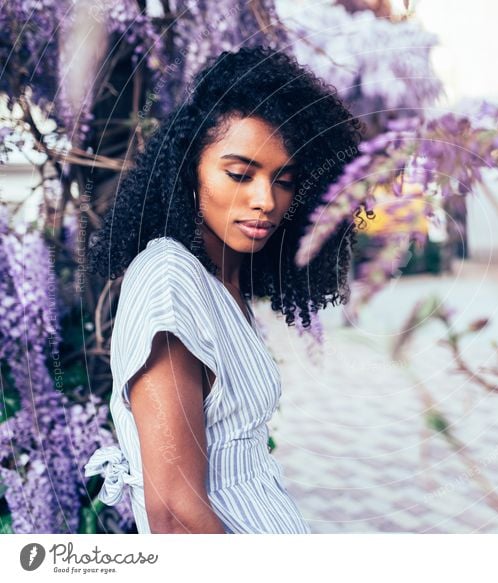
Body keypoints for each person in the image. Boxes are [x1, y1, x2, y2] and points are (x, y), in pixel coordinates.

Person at [83, 45, 362, 533]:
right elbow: (173, 512)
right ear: (190, 167)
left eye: (284, 180)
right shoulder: (169, 281)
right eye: (239, 174)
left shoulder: (221, 279)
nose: (265, 200)